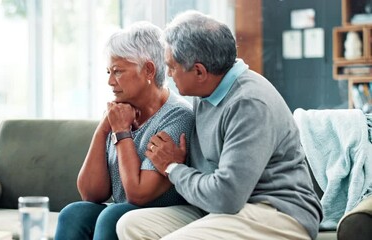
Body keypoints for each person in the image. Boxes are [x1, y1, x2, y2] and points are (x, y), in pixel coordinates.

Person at [116, 10, 323, 240]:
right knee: (130, 225)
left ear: (199, 71)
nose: (169, 74)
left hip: (275, 211)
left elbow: (227, 196)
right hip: (219, 209)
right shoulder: (205, 93)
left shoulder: (248, 103)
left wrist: (173, 168)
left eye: (172, 67)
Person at [54, 21, 194, 240]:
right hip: (123, 210)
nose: (110, 81)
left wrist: (121, 132)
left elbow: (137, 195)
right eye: (109, 71)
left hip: (167, 214)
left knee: (113, 215)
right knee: (74, 213)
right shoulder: (120, 113)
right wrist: (103, 130)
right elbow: (91, 194)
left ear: (148, 70)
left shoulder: (177, 117)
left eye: (118, 72)